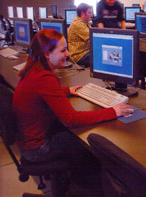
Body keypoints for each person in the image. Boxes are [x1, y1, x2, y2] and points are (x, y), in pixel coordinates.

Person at [12, 29, 133, 192]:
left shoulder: (33, 70)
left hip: (28, 144)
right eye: (63, 50)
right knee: (91, 146)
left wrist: (66, 90)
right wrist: (114, 111)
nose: (68, 54)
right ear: (47, 54)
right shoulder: (45, 78)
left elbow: (39, 94)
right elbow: (72, 120)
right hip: (37, 149)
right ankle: (84, 191)